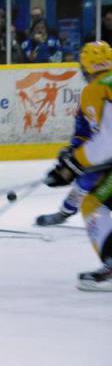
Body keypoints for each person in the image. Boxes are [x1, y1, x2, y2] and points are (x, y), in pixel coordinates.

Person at [43, 41, 112, 291]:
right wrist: (73, 154)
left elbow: (107, 142)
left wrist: (73, 165)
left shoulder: (96, 89)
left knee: (94, 204)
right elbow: (90, 135)